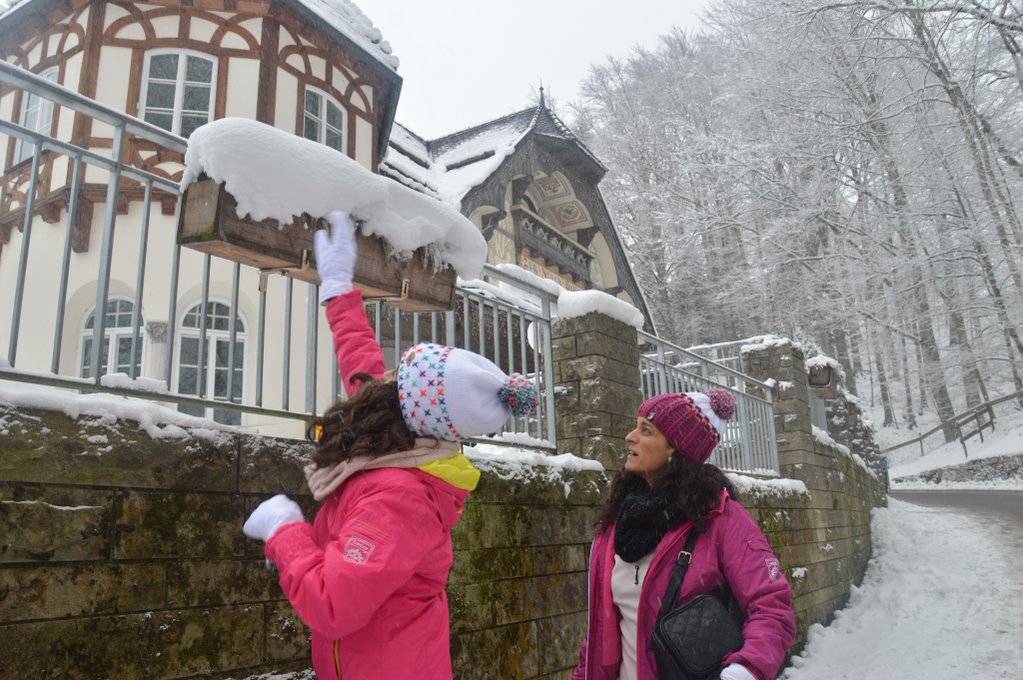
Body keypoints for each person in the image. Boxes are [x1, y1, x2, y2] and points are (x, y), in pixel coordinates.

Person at [242, 211, 538, 680]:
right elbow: (361, 360)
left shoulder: (397, 499)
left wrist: (286, 532)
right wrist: (338, 287)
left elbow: (333, 605)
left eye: (402, 379)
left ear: (415, 407)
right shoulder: (399, 434)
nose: (388, 380)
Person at [573, 388, 796, 680]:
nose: (630, 436)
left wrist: (747, 667)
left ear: (676, 450)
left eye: (646, 430)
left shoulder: (720, 518)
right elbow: (602, 630)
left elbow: (771, 607)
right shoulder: (618, 521)